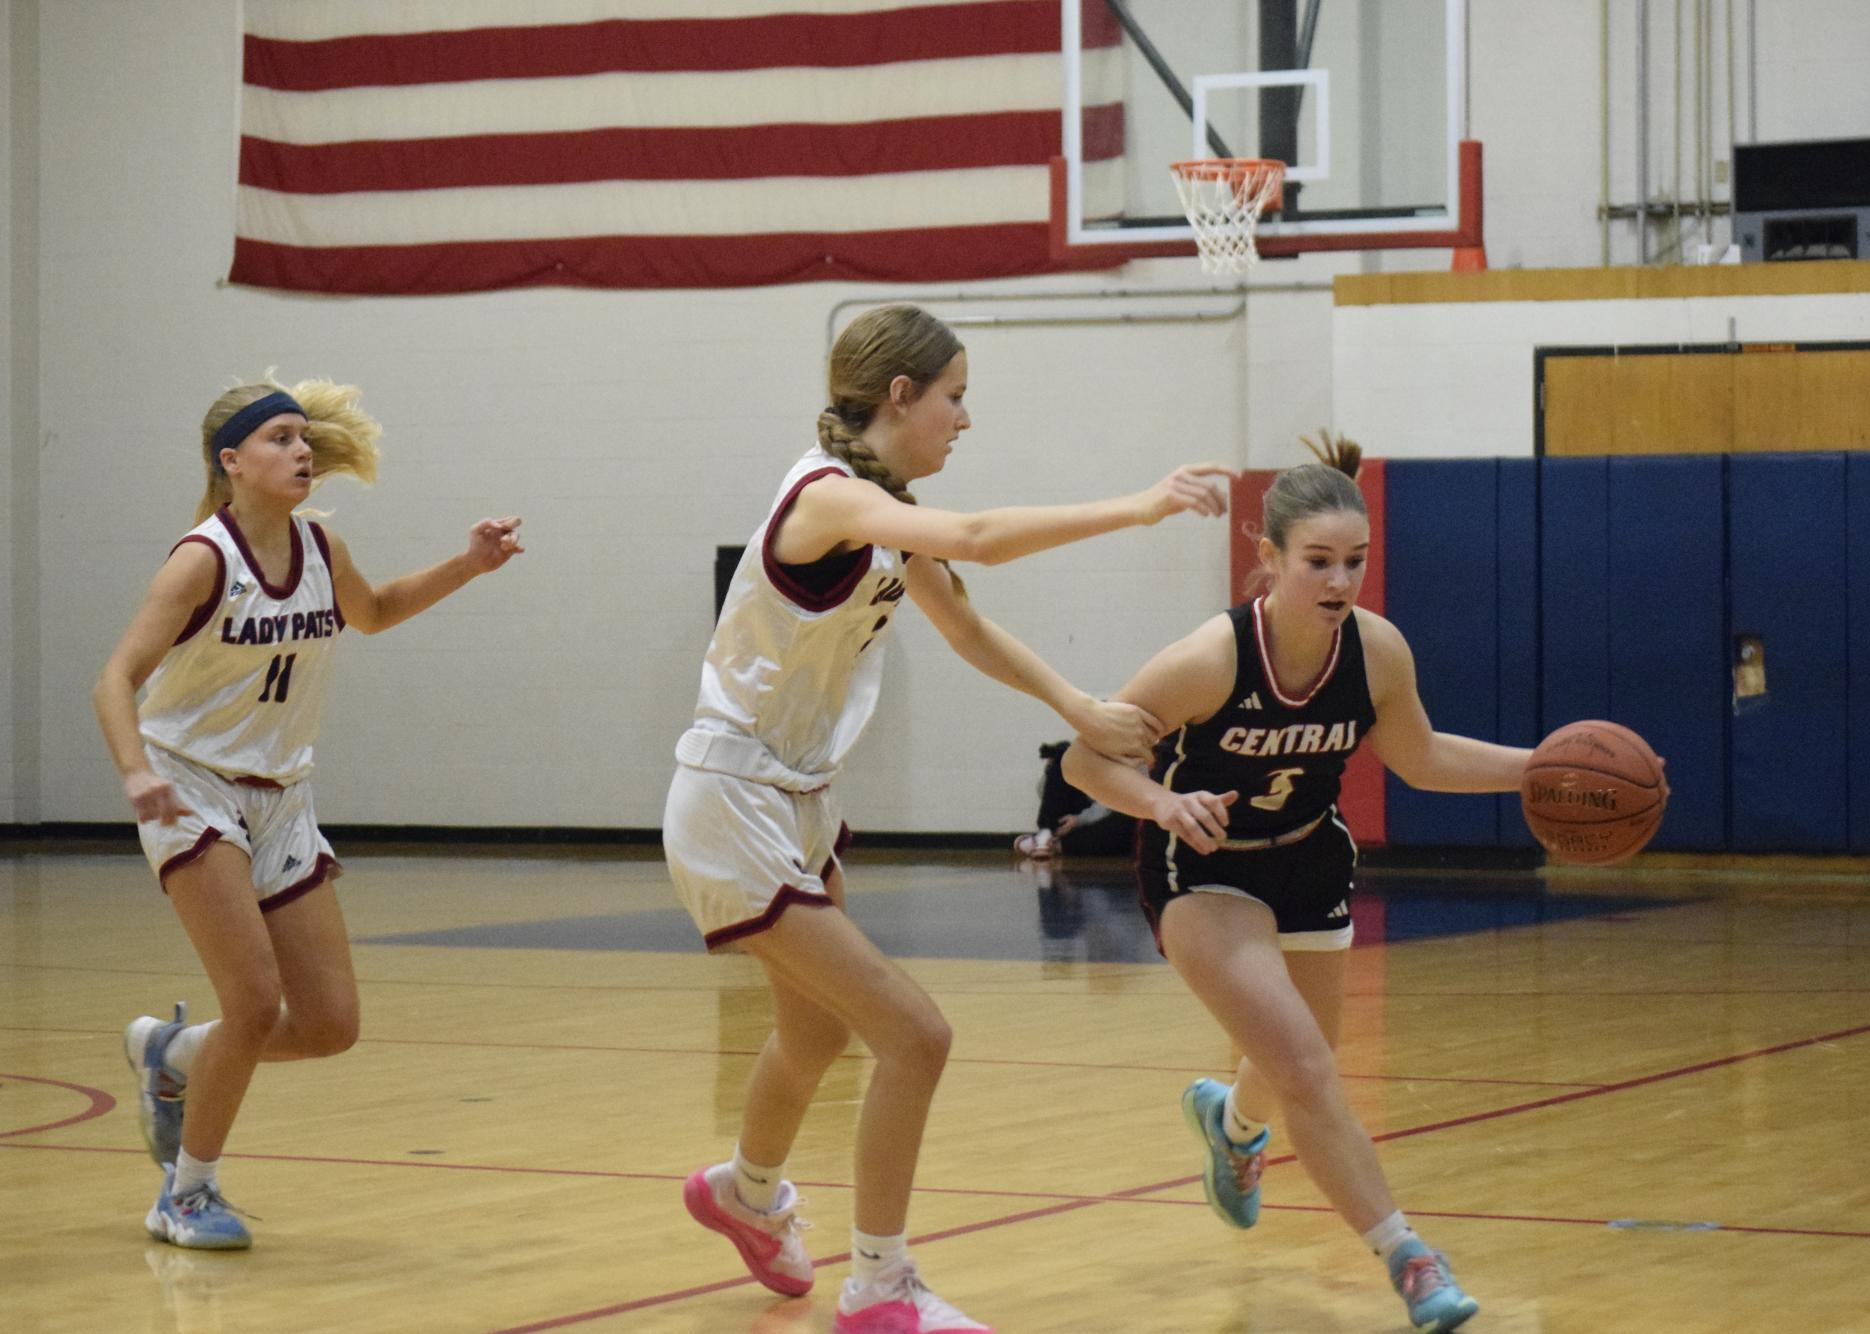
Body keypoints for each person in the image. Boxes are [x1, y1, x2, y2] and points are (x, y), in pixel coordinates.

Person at [665, 304, 1230, 1333]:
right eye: (956, 395)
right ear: (900, 396)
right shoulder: (831, 499)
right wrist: (1140, 506)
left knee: (815, 1030)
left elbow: (965, 619)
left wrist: (1075, 707)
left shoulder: (881, 510)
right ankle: (880, 1283)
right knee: (916, 1034)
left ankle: (744, 1192)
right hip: (732, 795)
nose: (965, 418)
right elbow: (975, 537)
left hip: (796, 800)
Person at [1061, 436, 1528, 1333]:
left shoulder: (1376, 652)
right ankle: (1408, 1257)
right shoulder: (1208, 659)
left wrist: (1538, 769)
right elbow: (1086, 762)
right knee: (1308, 1068)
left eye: (1354, 561)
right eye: (1318, 561)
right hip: (1204, 870)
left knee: (1292, 1064)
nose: (1339, 579)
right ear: (1267, 559)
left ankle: (1233, 1129)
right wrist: (1160, 801)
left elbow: (1420, 758)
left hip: (1312, 856)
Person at [92, 377, 524, 1250]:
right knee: (252, 1002)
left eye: (304, 438)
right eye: (281, 439)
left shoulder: (320, 545)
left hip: (283, 796)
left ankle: (173, 1054)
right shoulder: (202, 559)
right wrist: (136, 773)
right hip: (193, 785)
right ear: (231, 462)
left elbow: (374, 614)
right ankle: (186, 1194)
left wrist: (467, 565)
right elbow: (114, 679)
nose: (302, 452)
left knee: (329, 1026)